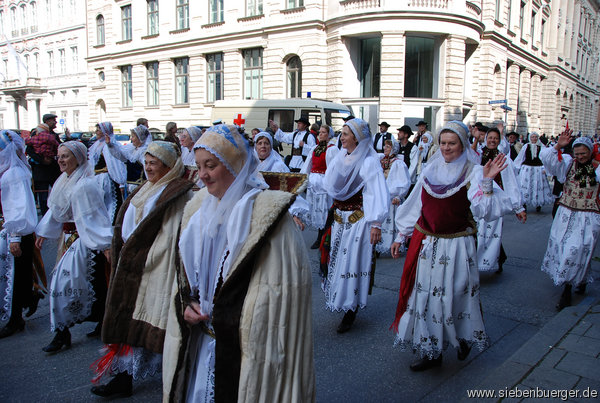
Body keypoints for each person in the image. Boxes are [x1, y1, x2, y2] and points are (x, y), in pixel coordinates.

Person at [163, 124, 315, 402]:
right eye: (198, 166)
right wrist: (185, 303)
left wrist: (232, 319)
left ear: (234, 165)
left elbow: (282, 295)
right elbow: (184, 276)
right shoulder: (197, 210)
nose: (203, 175)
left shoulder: (267, 217)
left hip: (245, 351)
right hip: (201, 344)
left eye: (210, 165)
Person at [390, 121, 513, 371]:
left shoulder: (474, 171)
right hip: (430, 243)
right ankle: (431, 351)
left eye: (452, 143)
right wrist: (400, 235)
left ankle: (462, 336)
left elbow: (487, 211)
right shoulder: (429, 171)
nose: (446, 148)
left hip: (458, 244)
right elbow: (416, 205)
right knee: (425, 296)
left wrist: (487, 182)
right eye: (443, 143)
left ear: (463, 144)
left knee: (456, 294)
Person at [91, 141, 194, 398]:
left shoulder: (177, 193)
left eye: (154, 163)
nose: (148, 168)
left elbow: (173, 234)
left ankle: (163, 378)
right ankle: (124, 378)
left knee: (148, 321)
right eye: (146, 163)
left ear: (169, 167)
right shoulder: (146, 188)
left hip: (155, 267)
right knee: (132, 320)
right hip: (134, 266)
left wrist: (144, 257)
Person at [35, 141, 113, 352]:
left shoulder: (84, 185)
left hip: (84, 241)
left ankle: (64, 331)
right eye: (59, 156)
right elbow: (56, 209)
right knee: (91, 286)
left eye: (66, 156)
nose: (60, 160)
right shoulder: (65, 179)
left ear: (77, 159)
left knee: (64, 285)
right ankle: (74, 329)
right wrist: (43, 232)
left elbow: (94, 216)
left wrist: (105, 244)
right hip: (69, 239)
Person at [320, 118, 389, 333]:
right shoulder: (341, 157)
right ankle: (341, 300)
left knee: (352, 263)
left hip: (358, 220)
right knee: (338, 261)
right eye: (342, 133)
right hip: (339, 218)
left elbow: (375, 191)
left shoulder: (368, 162)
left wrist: (376, 223)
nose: (343, 137)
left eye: (347, 134)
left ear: (358, 138)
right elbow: (329, 184)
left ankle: (351, 309)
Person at [540, 132, 600, 310]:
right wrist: (558, 146)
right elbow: (548, 160)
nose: (580, 157)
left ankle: (574, 283)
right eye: (578, 154)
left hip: (588, 216)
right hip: (566, 213)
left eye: (584, 153)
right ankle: (568, 287)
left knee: (580, 249)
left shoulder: (597, 168)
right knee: (564, 247)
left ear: (590, 151)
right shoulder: (567, 163)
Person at [0, 131, 38, 338]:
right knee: (19, 275)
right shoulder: (11, 170)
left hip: (18, 232)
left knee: (15, 276)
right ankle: (29, 298)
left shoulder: (13, 174)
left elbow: (18, 207)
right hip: (16, 231)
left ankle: (15, 319)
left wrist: (14, 236)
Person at [476, 128, 527, 273]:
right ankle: (476, 262)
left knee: (492, 232)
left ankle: (496, 258)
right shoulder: (478, 155)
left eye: (495, 138)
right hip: (477, 199)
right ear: (485, 138)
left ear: (499, 141)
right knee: (477, 231)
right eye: (490, 137)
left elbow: (511, 183)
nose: (492, 140)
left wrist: (518, 208)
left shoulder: (504, 159)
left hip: (495, 201)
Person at [301, 124, 335, 248]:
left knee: (324, 210)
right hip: (313, 183)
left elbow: (333, 169)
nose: (320, 134)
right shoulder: (315, 148)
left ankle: (323, 237)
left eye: (323, 132)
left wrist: (331, 184)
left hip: (324, 184)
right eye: (319, 132)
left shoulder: (331, 149)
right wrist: (302, 179)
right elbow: (307, 165)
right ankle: (320, 236)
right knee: (315, 210)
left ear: (328, 135)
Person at [375, 138, 410, 255]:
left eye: (388, 147)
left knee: (389, 223)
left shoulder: (398, 163)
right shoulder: (381, 160)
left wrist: (399, 196)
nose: (385, 148)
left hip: (391, 198)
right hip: (380, 197)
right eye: (385, 146)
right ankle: (377, 245)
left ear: (393, 149)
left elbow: (403, 181)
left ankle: (390, 245)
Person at [89, 122, 126, 226]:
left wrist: (121, 183)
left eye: (99, 130)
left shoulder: (111, 144)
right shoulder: (96, 145)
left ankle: (112, 226)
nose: (96, 132)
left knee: (112, 203)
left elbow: (117, 164)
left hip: (108, 179)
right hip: (97, 179)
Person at [25, 113, 61, 215]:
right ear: (47, 121)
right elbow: (30, 150)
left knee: (56, 193)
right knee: (43, 195)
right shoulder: (35, 134)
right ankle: (45, 215)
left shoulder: (54, 135)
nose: (55, 122)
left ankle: (56, 214)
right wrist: (42, 160)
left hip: (53, 169)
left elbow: (59, 148)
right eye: (53, 120)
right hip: (40, 170)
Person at [106, 124, 153, 192]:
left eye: (133, 136)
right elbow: (120, 154)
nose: (131, 139)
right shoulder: (132, 149)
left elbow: (148, 170)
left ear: (139, 138)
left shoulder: (144, 152)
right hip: (130, 186)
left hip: (140, 187)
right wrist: (110, 145)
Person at [514, 131, 553, 212]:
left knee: (537, 185)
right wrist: (516, 167)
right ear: (530, 138)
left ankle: (538, 203)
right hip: (527, 168)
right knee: (525, 185)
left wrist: (546, 168)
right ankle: (524, 203)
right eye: (532, 137)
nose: (534, 138)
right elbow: (521, 156)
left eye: (535, 137)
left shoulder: (541, 146)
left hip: (538, 169)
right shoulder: (526, 146)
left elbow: (545, 158)